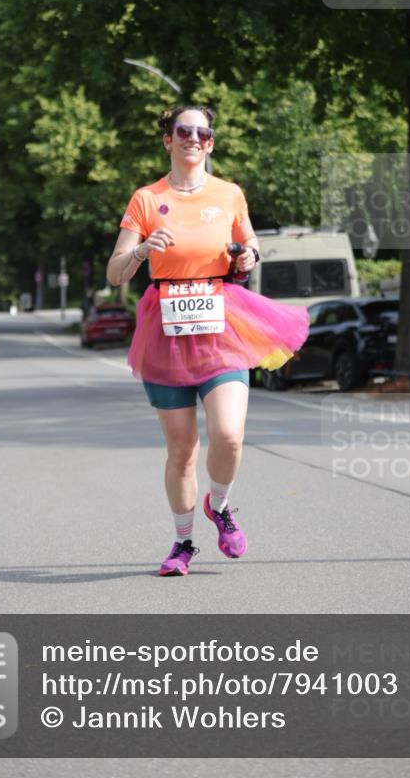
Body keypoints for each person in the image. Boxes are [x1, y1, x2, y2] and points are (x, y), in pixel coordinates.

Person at [107, 105, 310, 577]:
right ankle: (182, 544)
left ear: (211, 142)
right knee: (181, 451)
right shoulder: (146, 198)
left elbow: (252, 246)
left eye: (203, 132)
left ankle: (219, 506)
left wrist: (246, 258)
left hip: (222, 324)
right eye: (184, 131)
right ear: (168, 140)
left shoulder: (229, 193)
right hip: (166, 328)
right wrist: (139, 250)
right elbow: (115, 272)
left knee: (229, 435)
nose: (193, 138)